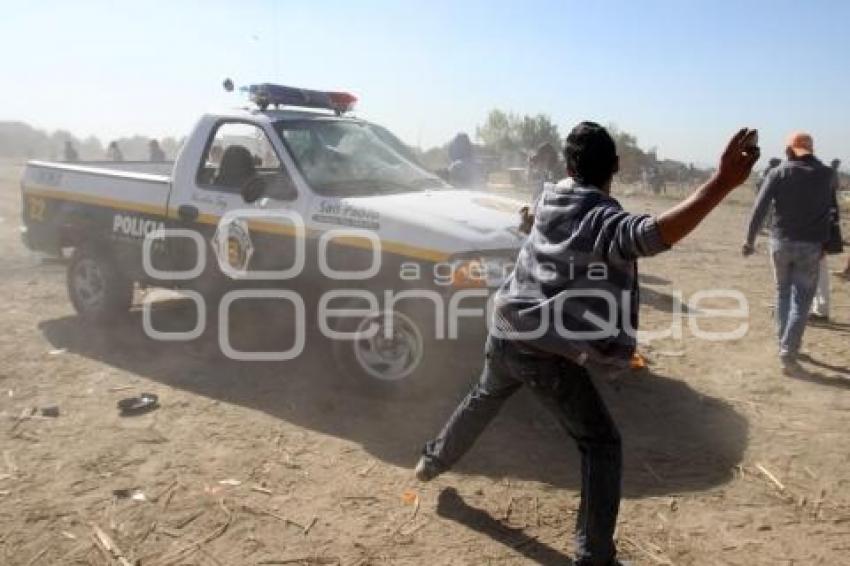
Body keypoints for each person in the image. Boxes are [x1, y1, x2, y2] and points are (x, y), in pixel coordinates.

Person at [416, 122, 759, 566]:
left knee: (484, 396)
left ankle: (431, 461)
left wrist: (529, 224)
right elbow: (657, 234)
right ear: (615, 166)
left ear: (567, 165)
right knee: (601, 445)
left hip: (505, 326)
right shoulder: (602, 218)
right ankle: (594, 556)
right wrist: (722, 183)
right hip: (542, 350)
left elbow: (534, 220)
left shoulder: (551, 197)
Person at [743, 132, 834, 372]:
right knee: (802, 301)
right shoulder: (826, 174)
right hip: (811, 246)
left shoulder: (778, 172)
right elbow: (830, 212)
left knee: (783, 293)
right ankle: (788, 350)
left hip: (780, 243)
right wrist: (825, 244)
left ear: (790, 150)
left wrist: (749, 240)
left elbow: (759, 208)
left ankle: (783, 343)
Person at [809, 158, 841, 319]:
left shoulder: (822, 187)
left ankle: (820, 310)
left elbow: (830, 216)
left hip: (816, 238)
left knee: (818, 274)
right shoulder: (824, 185)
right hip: (813, 237)